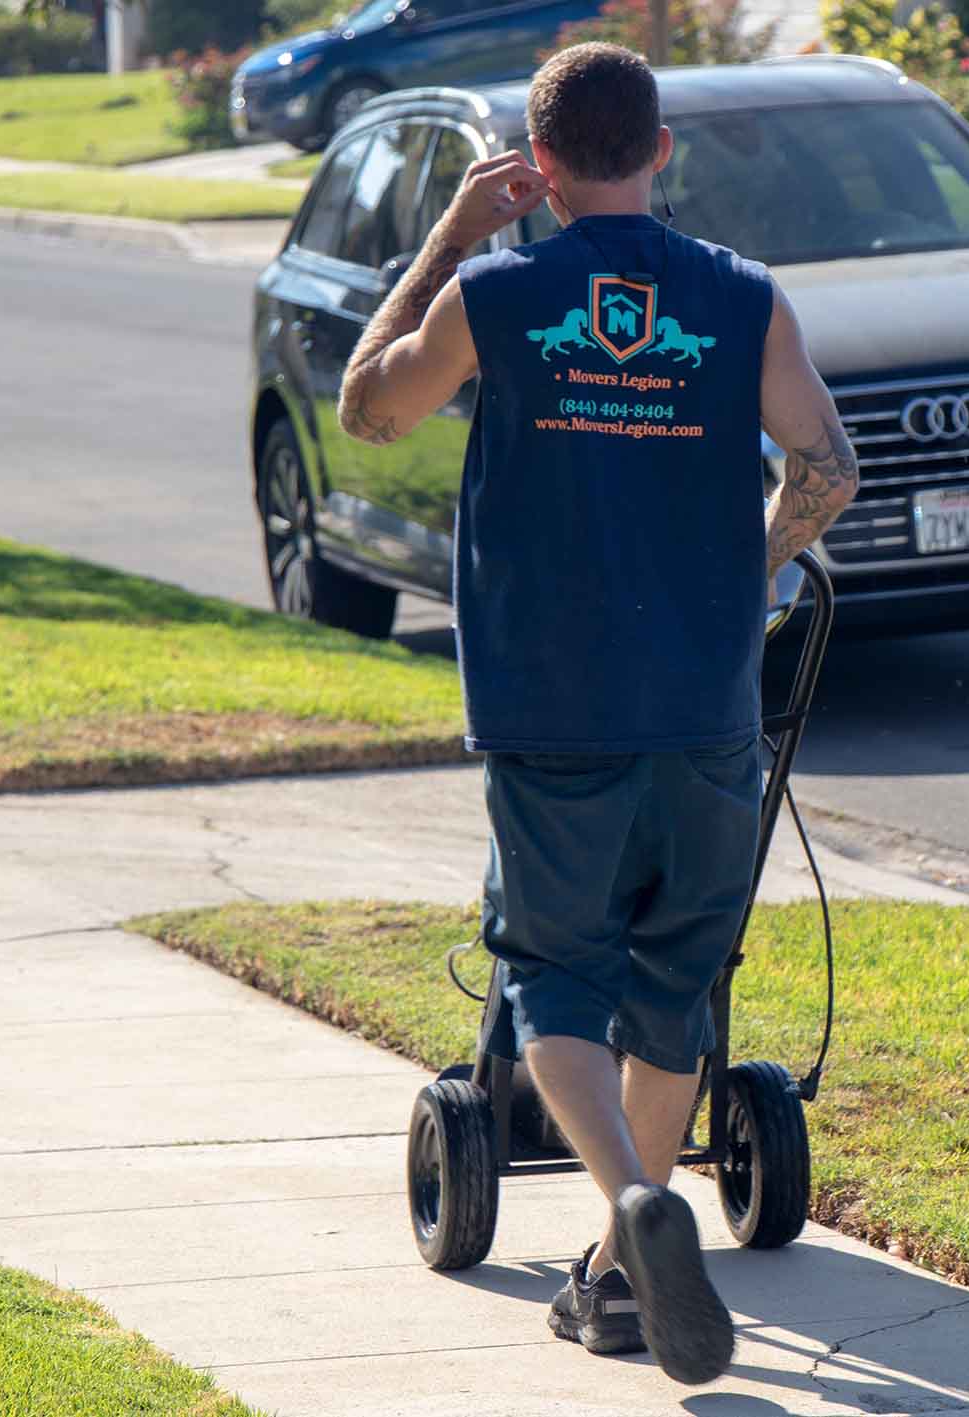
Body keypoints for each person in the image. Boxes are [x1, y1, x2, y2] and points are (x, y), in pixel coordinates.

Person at [337, 41, 857, 1386]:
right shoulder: (742, 299)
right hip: (701, 707)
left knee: (552, 972)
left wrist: (455, 226)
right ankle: (619, 1281)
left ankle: (633, 1197)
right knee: (678, 977)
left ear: (541, 164)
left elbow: (368, 406)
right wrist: (743, 568)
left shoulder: (498, 293)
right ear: (662, 152)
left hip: (549, 699)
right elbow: (827, 465)